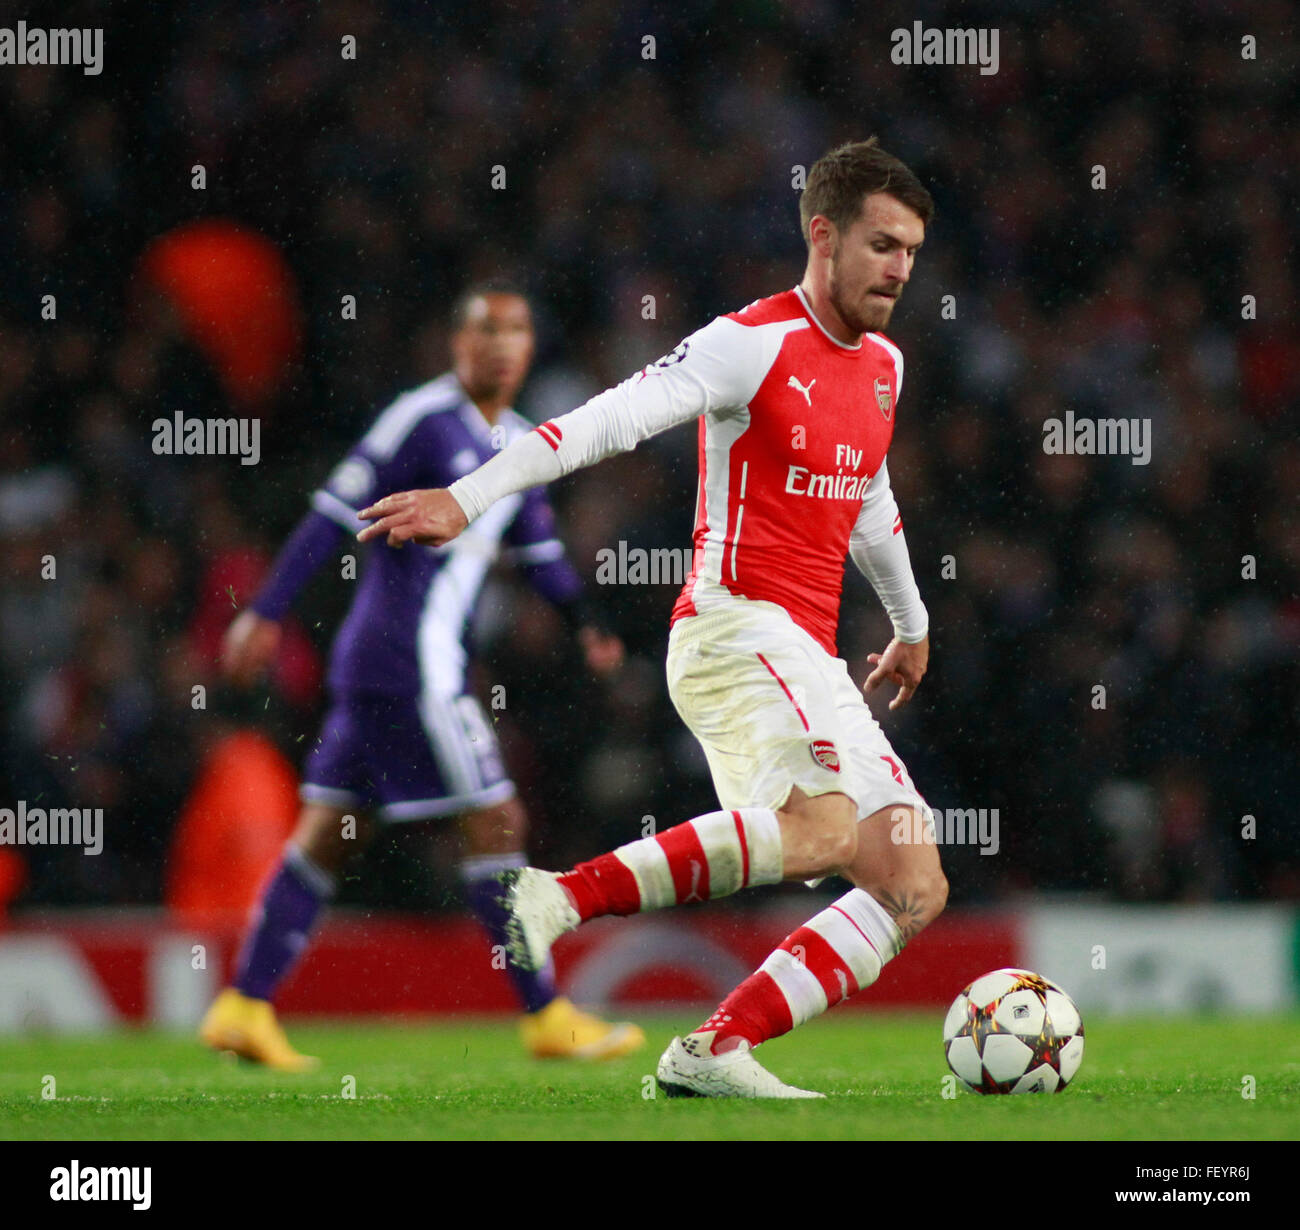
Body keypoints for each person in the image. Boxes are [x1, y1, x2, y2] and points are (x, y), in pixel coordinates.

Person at [357, 140, 946, 1097]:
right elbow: (601, 421)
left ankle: (711, 1052)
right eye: (882, 245)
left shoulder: (884, 364)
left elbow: (868, 498)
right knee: (828, 827)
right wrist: (467, 498)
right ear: (823, 234)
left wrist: (911, 624)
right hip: (732, 626)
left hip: (807, 652)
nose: (900, 270)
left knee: (913, 880)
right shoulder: (748, 344)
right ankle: (551, 897)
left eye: (912, 252)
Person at [199, 286, 644, 1068]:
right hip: (412, 668)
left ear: (530, 349)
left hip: (382, 671)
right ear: (455, 343)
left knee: (329, 837)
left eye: (516, 330)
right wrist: (266, 610)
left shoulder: (516, 441)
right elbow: (334, 512)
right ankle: (546, 1017)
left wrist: (588, 627)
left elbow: (538, 551)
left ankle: (244, 1005)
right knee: (497, 821)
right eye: (484, 329)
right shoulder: (420, 418)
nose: (501, 344)